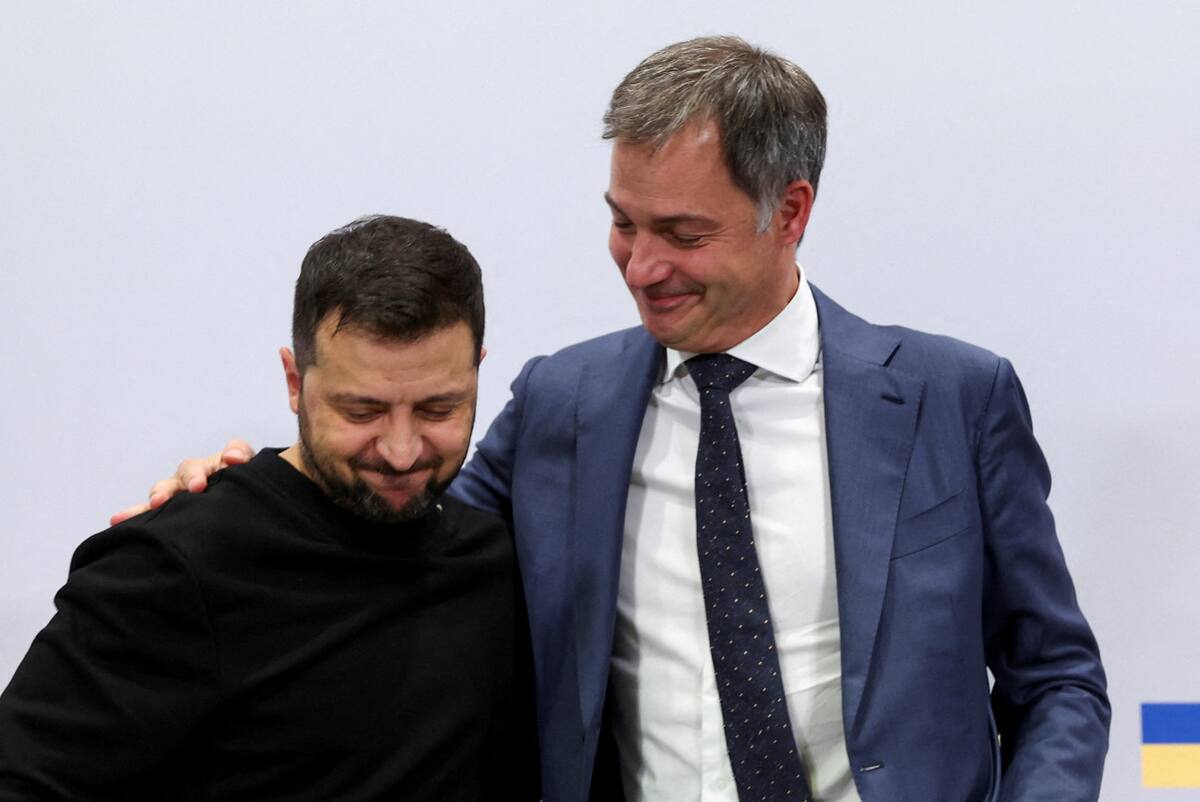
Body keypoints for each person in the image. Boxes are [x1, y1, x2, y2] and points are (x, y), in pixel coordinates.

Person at [114, 36, 1110, 802]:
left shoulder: (951, 396)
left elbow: (1057, 675)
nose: (641, 265)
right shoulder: (564, 401)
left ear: (791, 211)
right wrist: (249, 497)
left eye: (683, 233)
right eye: (623, 222)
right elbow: (394, 533)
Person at [0, 216, 538, 800]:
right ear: (294, 381)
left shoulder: (495, 560)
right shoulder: (173, 568)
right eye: (362, 412)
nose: (401, 451)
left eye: (438, 409)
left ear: (477, 372)